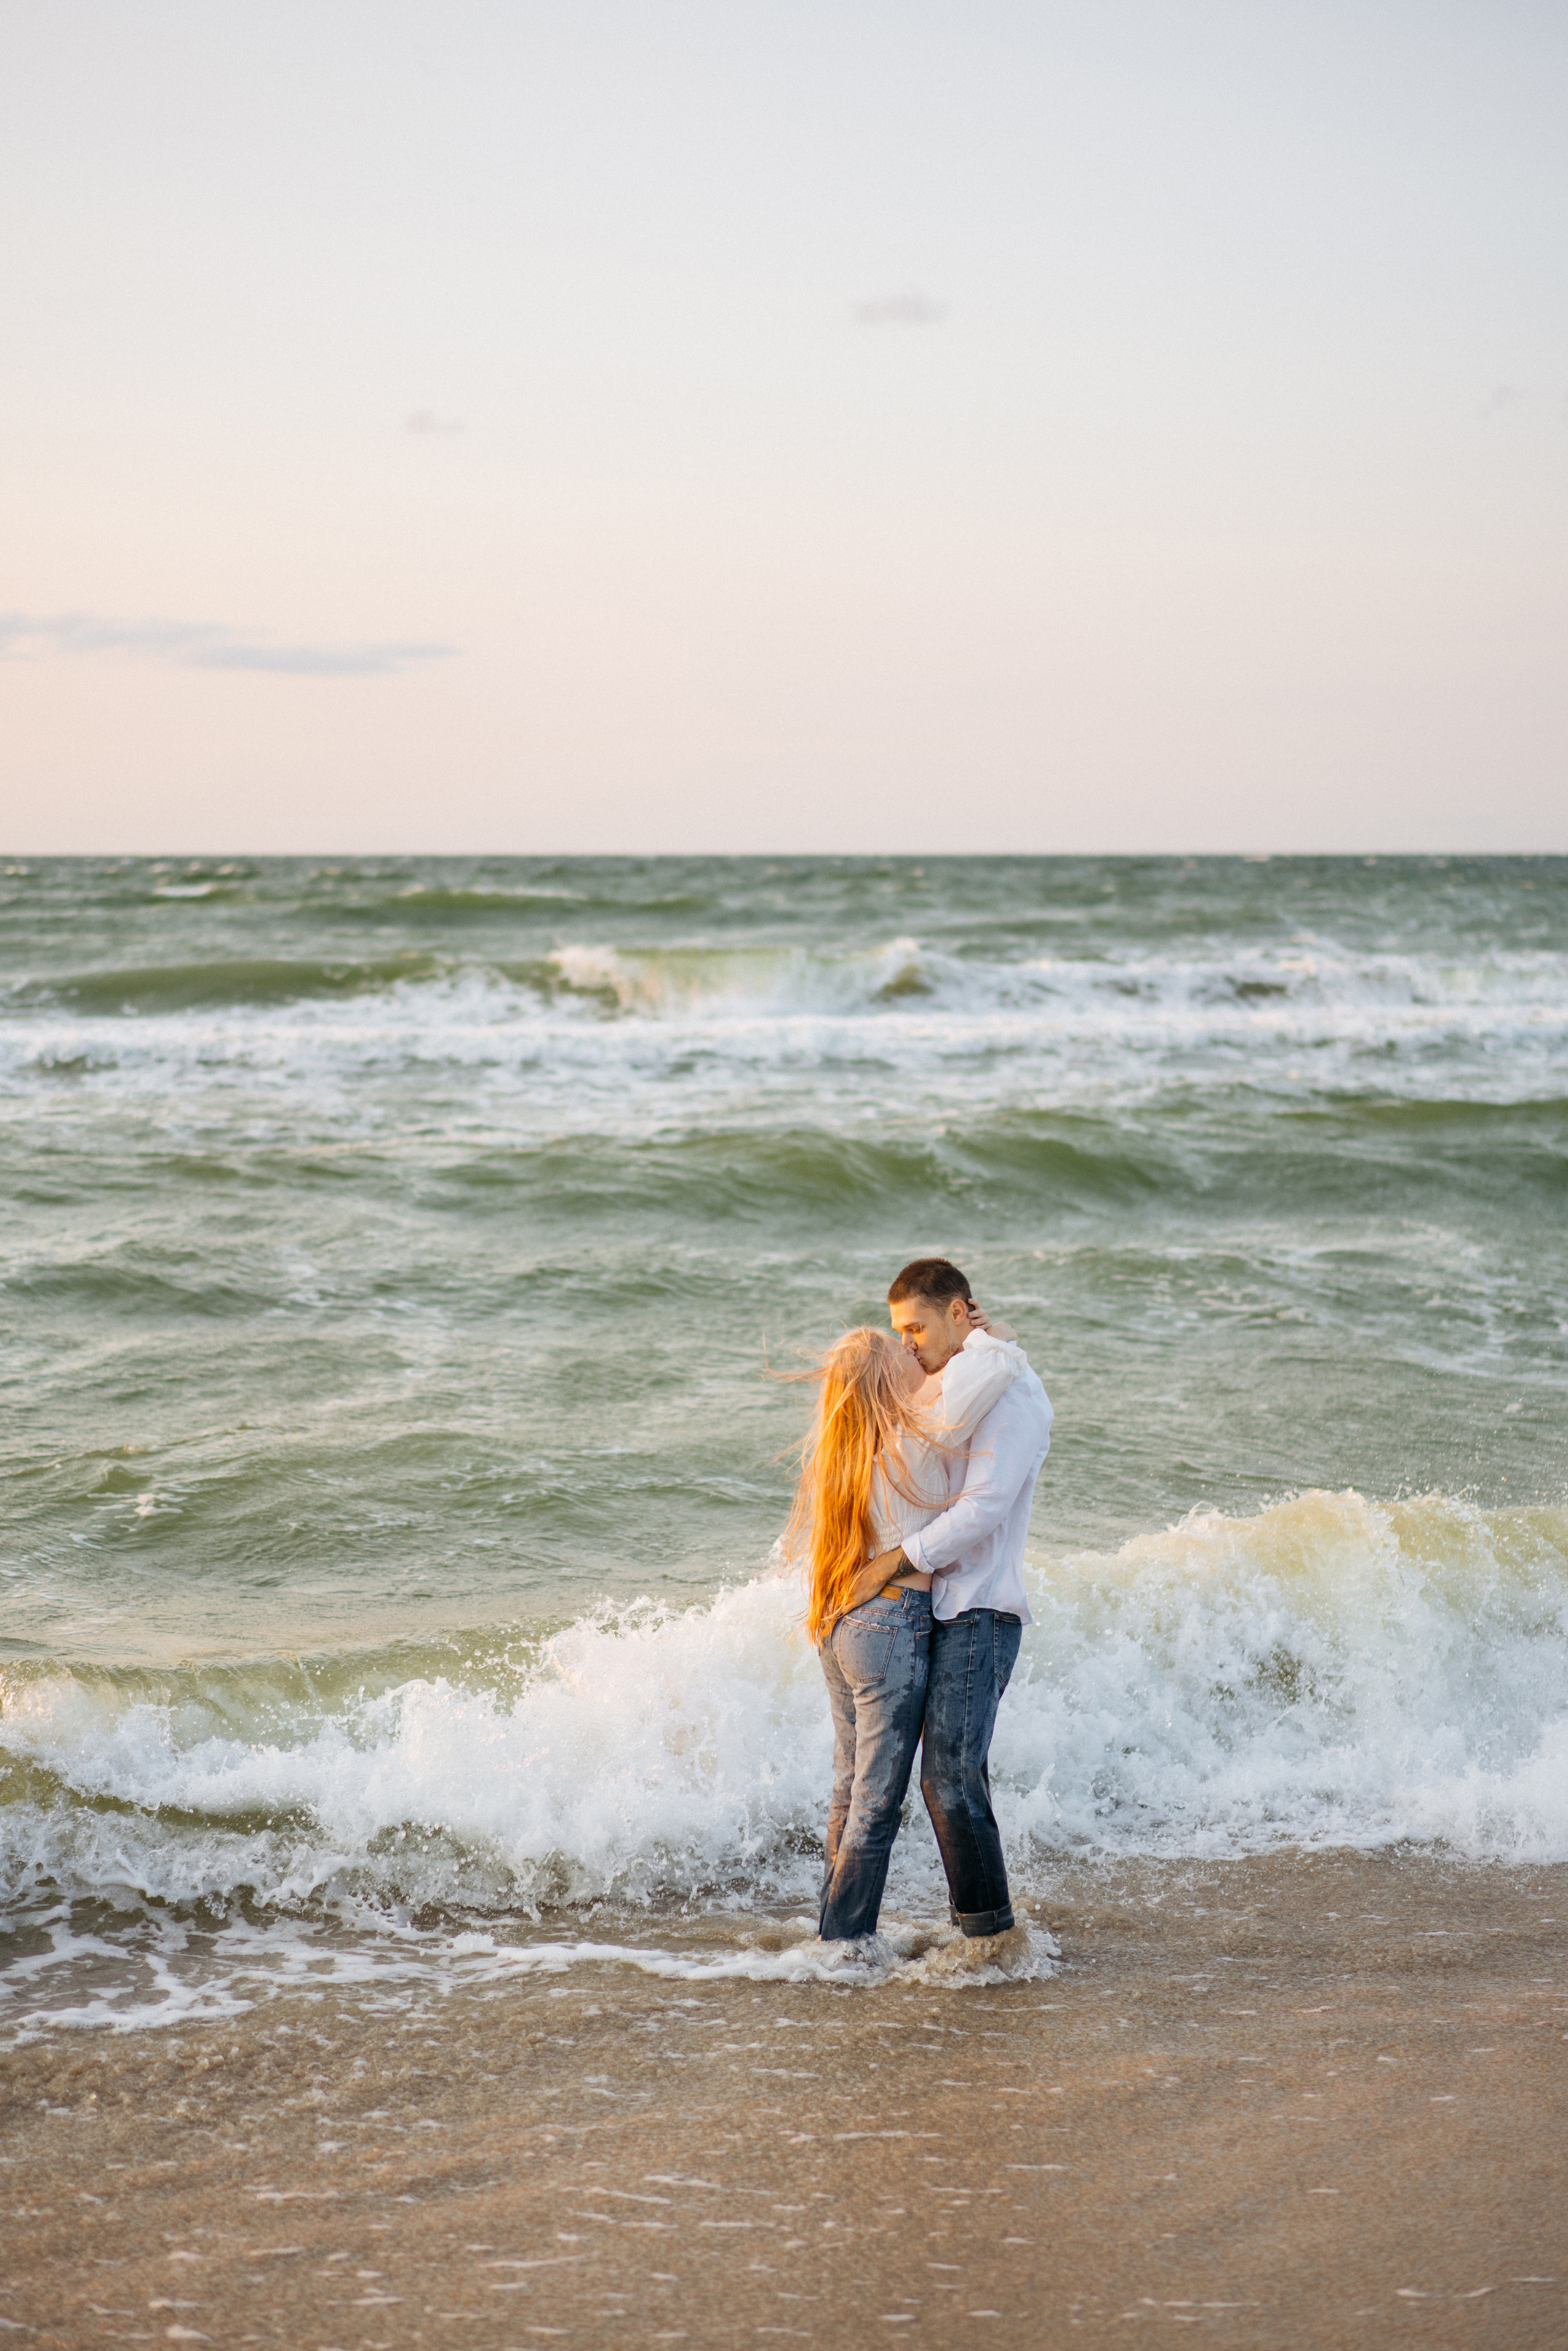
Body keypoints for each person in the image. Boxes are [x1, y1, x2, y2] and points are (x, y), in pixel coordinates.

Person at [790, 1313, 1027, 1942]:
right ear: (879, 1379)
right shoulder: (914, 1438)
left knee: (848, 1791)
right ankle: (845, 1947)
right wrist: (990, 1332)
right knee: (876, 1805)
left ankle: (830, 1933)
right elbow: (998, 1368)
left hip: (841, 1624)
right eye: (893, 1348)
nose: (907, 1348)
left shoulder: (841, 1451)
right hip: (891, 1624)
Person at [839, 1258, 1053, 1941]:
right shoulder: (959, 1382)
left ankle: (991, 1937)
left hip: (981, 1608)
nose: (907, 1343)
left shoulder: (1012, 1391)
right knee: (936, 1781)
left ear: (959, 1312)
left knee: (950, 1779)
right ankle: (971, 1927)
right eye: (897, 1330)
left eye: (916, 1327)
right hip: (940, 1610)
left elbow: (983, 1506)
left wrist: (890, 1564)